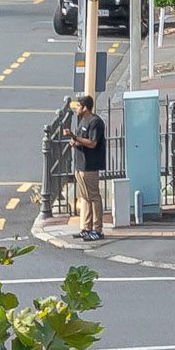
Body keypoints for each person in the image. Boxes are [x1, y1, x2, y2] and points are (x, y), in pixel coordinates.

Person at [64, 85, 111, 240]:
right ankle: (86, 227)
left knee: (94, 197)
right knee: (85, 197)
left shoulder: (95, 122)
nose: (76, 108)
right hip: (80, 165)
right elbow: (80, 139)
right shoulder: (82, 120)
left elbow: (92, 143)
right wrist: (74, 141)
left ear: (85, 107)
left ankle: (97, 229)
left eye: (78, 105)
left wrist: (74, 137)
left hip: (90, 166)